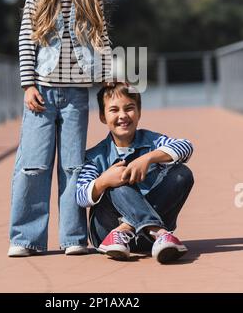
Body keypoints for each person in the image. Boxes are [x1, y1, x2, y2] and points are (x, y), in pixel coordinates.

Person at [8, 0, 112, 257]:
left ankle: (73, 237)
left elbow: (102, 39)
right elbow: (27, 40)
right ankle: (25, 238)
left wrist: (110, 79)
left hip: (76, 95)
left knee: (72, 167)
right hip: (42, 92)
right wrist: (27, 85)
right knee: (34, 164)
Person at [76, 82, 194, 263]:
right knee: (116, 181)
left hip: (149, 240)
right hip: (108, 235)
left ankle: (129, 229)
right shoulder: (94, 156)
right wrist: (103, 181)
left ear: (139, 112)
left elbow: (186, 146)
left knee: (182, 173)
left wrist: (148, 159)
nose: (123, 115)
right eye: (114, 110)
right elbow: (81, 196)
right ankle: (152, 232)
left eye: (129, 108)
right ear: (102, 116)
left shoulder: (152, 140)